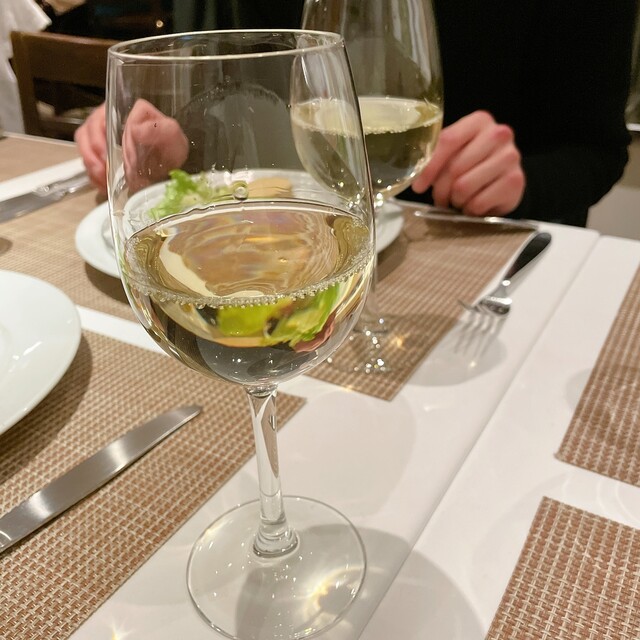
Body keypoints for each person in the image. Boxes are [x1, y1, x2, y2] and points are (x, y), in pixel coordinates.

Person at [75, 0, 637, 227]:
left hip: (486, 260)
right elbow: (234, 92)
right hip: (291, 239)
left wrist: (526, 183)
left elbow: (596, 148)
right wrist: (176, 140)